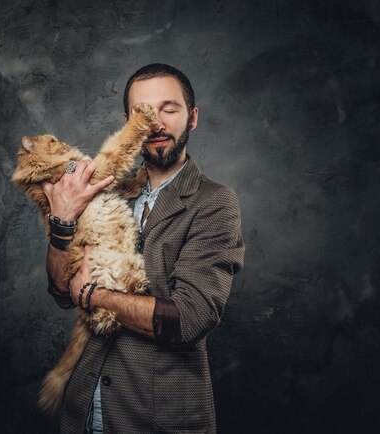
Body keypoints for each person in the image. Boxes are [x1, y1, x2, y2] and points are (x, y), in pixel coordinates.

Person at [41, 63, 245, 433]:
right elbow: (60, 290)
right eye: (143, 113)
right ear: (128, 124)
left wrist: (93, 295)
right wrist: (63, 224)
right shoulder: (107, 193)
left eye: (169, 108)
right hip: (84, 411)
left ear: (192, 117)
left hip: (157, 419)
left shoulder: (214, 202)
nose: (156, 123)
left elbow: (189, 319)